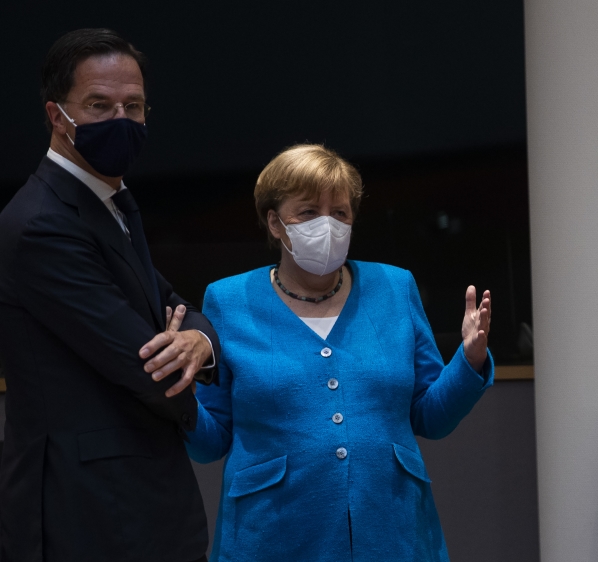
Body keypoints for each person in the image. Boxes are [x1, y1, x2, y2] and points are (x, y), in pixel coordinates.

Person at [185, 144, 494, 561]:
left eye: (340, 212)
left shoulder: (395, 287)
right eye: (309, 212)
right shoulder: (227, 300)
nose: (327, 224)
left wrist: (469, 360)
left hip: (393, 530)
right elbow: (211, 441)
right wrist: (175, 394)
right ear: (275, 222)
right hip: (273, 535)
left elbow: (430, 417)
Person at [0, 29, 219, 561]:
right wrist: (191, 377)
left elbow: (175, 305)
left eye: (133, 106)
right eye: (99, 105)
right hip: (88, 513)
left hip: (140, 505)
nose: (121, 119)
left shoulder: (109, 200)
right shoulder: (41, 223)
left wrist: (199, 342)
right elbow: (146, 364)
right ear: (57, 116)